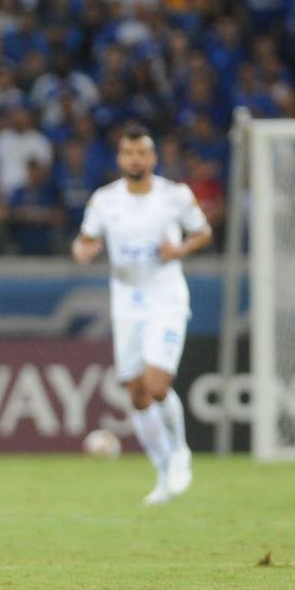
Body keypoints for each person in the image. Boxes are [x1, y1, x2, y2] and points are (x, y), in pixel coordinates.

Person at [71, 125, 212, 505]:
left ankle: (181, 453)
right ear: (120, 158)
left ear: (153, 158)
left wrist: (179, 250)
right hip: (126, 299)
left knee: (157, 384)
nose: (135, 159)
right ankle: (163, 468)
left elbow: (204, 232)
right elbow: (84, 241)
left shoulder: (175, 195)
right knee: (135, 393)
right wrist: (83, 251)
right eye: (128, 153)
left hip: (165, 295)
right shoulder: (105, 200)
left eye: (142, 153)